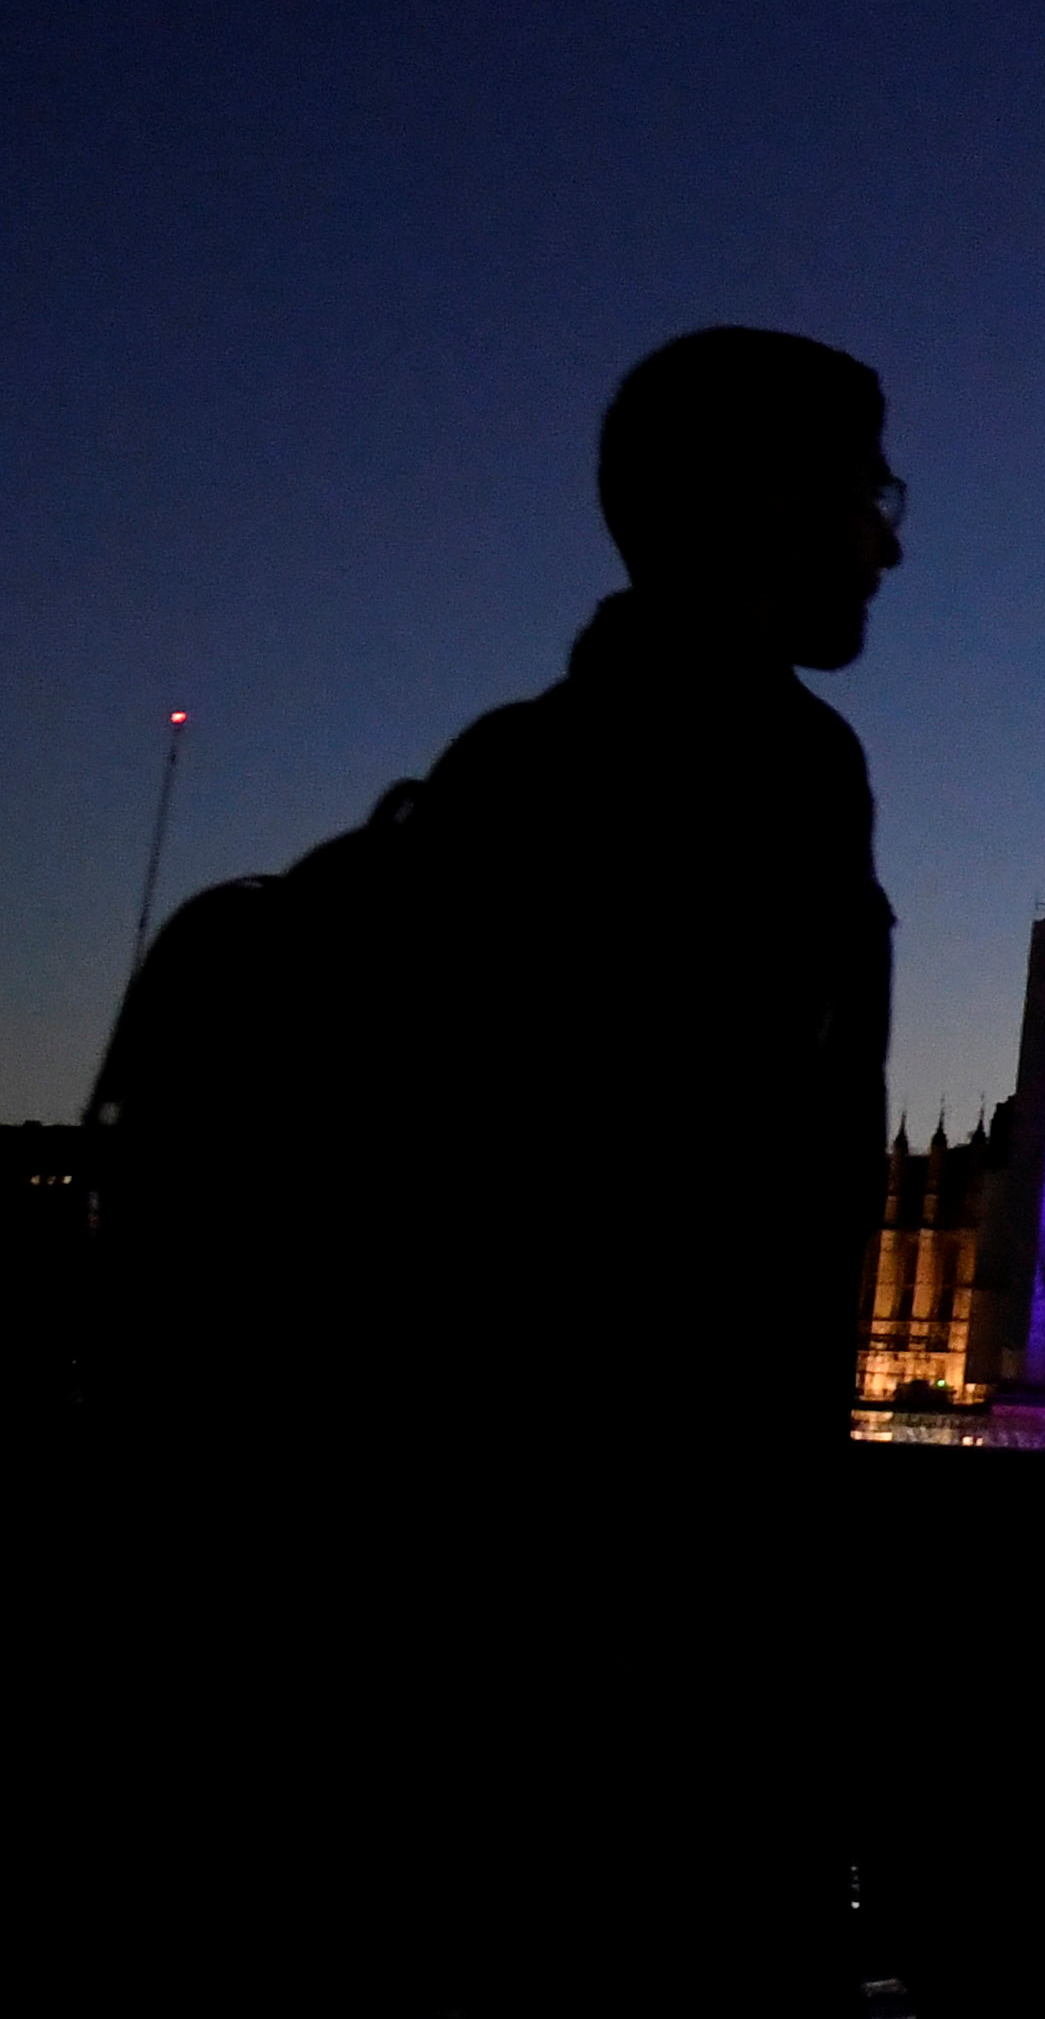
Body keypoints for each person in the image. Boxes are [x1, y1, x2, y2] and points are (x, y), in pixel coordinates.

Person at [68, 332, 904, 2008]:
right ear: (762, 508)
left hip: (424, 1631)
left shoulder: (501, 771)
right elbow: (641, 1230)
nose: (890, 537)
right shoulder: (755, 777)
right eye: (862, 496)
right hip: (593, 1657)